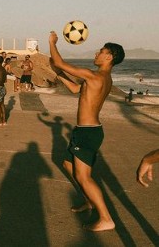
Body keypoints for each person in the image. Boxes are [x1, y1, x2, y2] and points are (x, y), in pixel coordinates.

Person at [49, 31, 125, 232]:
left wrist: (52, 42)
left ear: (109, 57)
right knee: (67, 164)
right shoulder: (103, 78)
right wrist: (59, 75)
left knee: (84, 177)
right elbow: (76, 89)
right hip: (84, 131)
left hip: (88, 133)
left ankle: (106, 218)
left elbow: (59, 61)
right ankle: (88, 201)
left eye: (101, 51)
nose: (96, 53)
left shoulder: (96, 76)